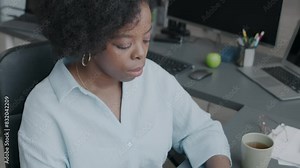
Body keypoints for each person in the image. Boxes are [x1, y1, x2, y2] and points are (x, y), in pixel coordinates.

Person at [18, 0, 231, 167]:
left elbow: (203, 130)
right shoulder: (45, 109)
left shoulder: (153, 78)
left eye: (146, 39)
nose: (141, 53)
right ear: (88, 39)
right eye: (124, 44)